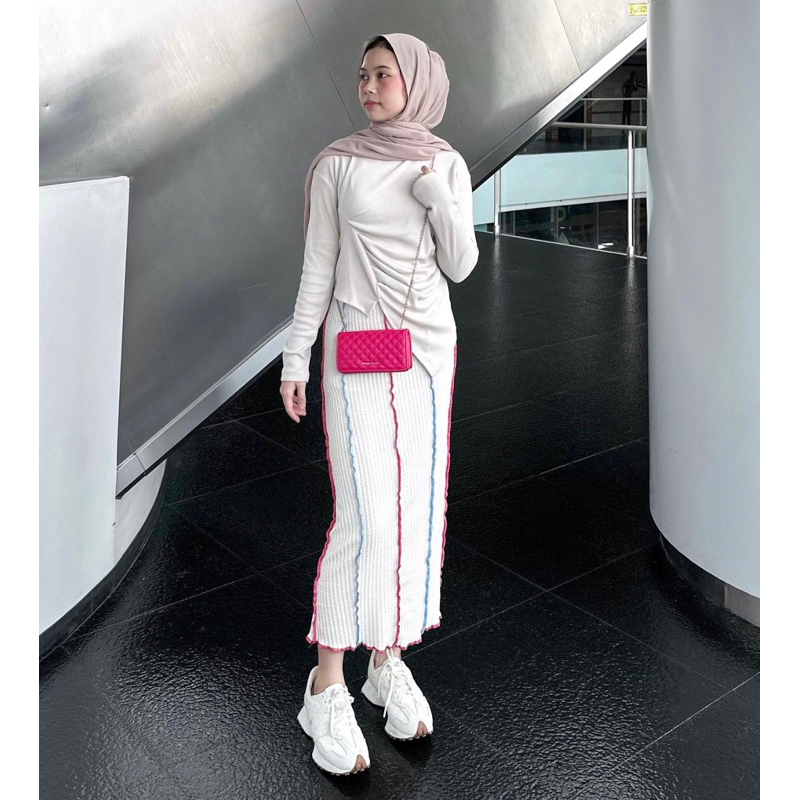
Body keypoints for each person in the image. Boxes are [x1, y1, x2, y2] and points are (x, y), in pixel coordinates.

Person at [279, 32, 479, 775]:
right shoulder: (338, 164)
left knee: (417, 509)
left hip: (425, 353)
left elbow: (462, 263)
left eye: (384, 74)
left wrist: (438, 200)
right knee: (364, 513)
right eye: (363, 74)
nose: (368, 85)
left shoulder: (444, 163)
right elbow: (318, 268)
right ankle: (326, 683)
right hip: (358, 348)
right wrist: (295, 357)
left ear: (416, 81)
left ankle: (386, 659)